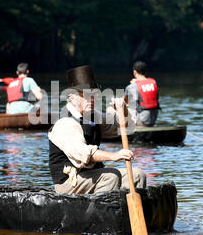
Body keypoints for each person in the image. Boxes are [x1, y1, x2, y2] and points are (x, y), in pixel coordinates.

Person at [48, 65, 146, 194]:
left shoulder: (94, 116)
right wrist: (114, 156)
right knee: (110, 177)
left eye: (93, 94)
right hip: (69, 183)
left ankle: (129, 211)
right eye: (85, 95)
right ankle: (103, 213)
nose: (91, 99)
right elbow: (85, 154)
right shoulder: (65, 123)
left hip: (93, 176)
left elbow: (125, 125)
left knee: (138, 175)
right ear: (71, 97)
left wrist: (123, 109)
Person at [125, 61, 160, 127]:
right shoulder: (154, 83)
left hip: (141, 121)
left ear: (134, 72)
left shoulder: (131, 87)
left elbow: (126, 103)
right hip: (153, 120)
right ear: (146, 72)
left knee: (119, 106)